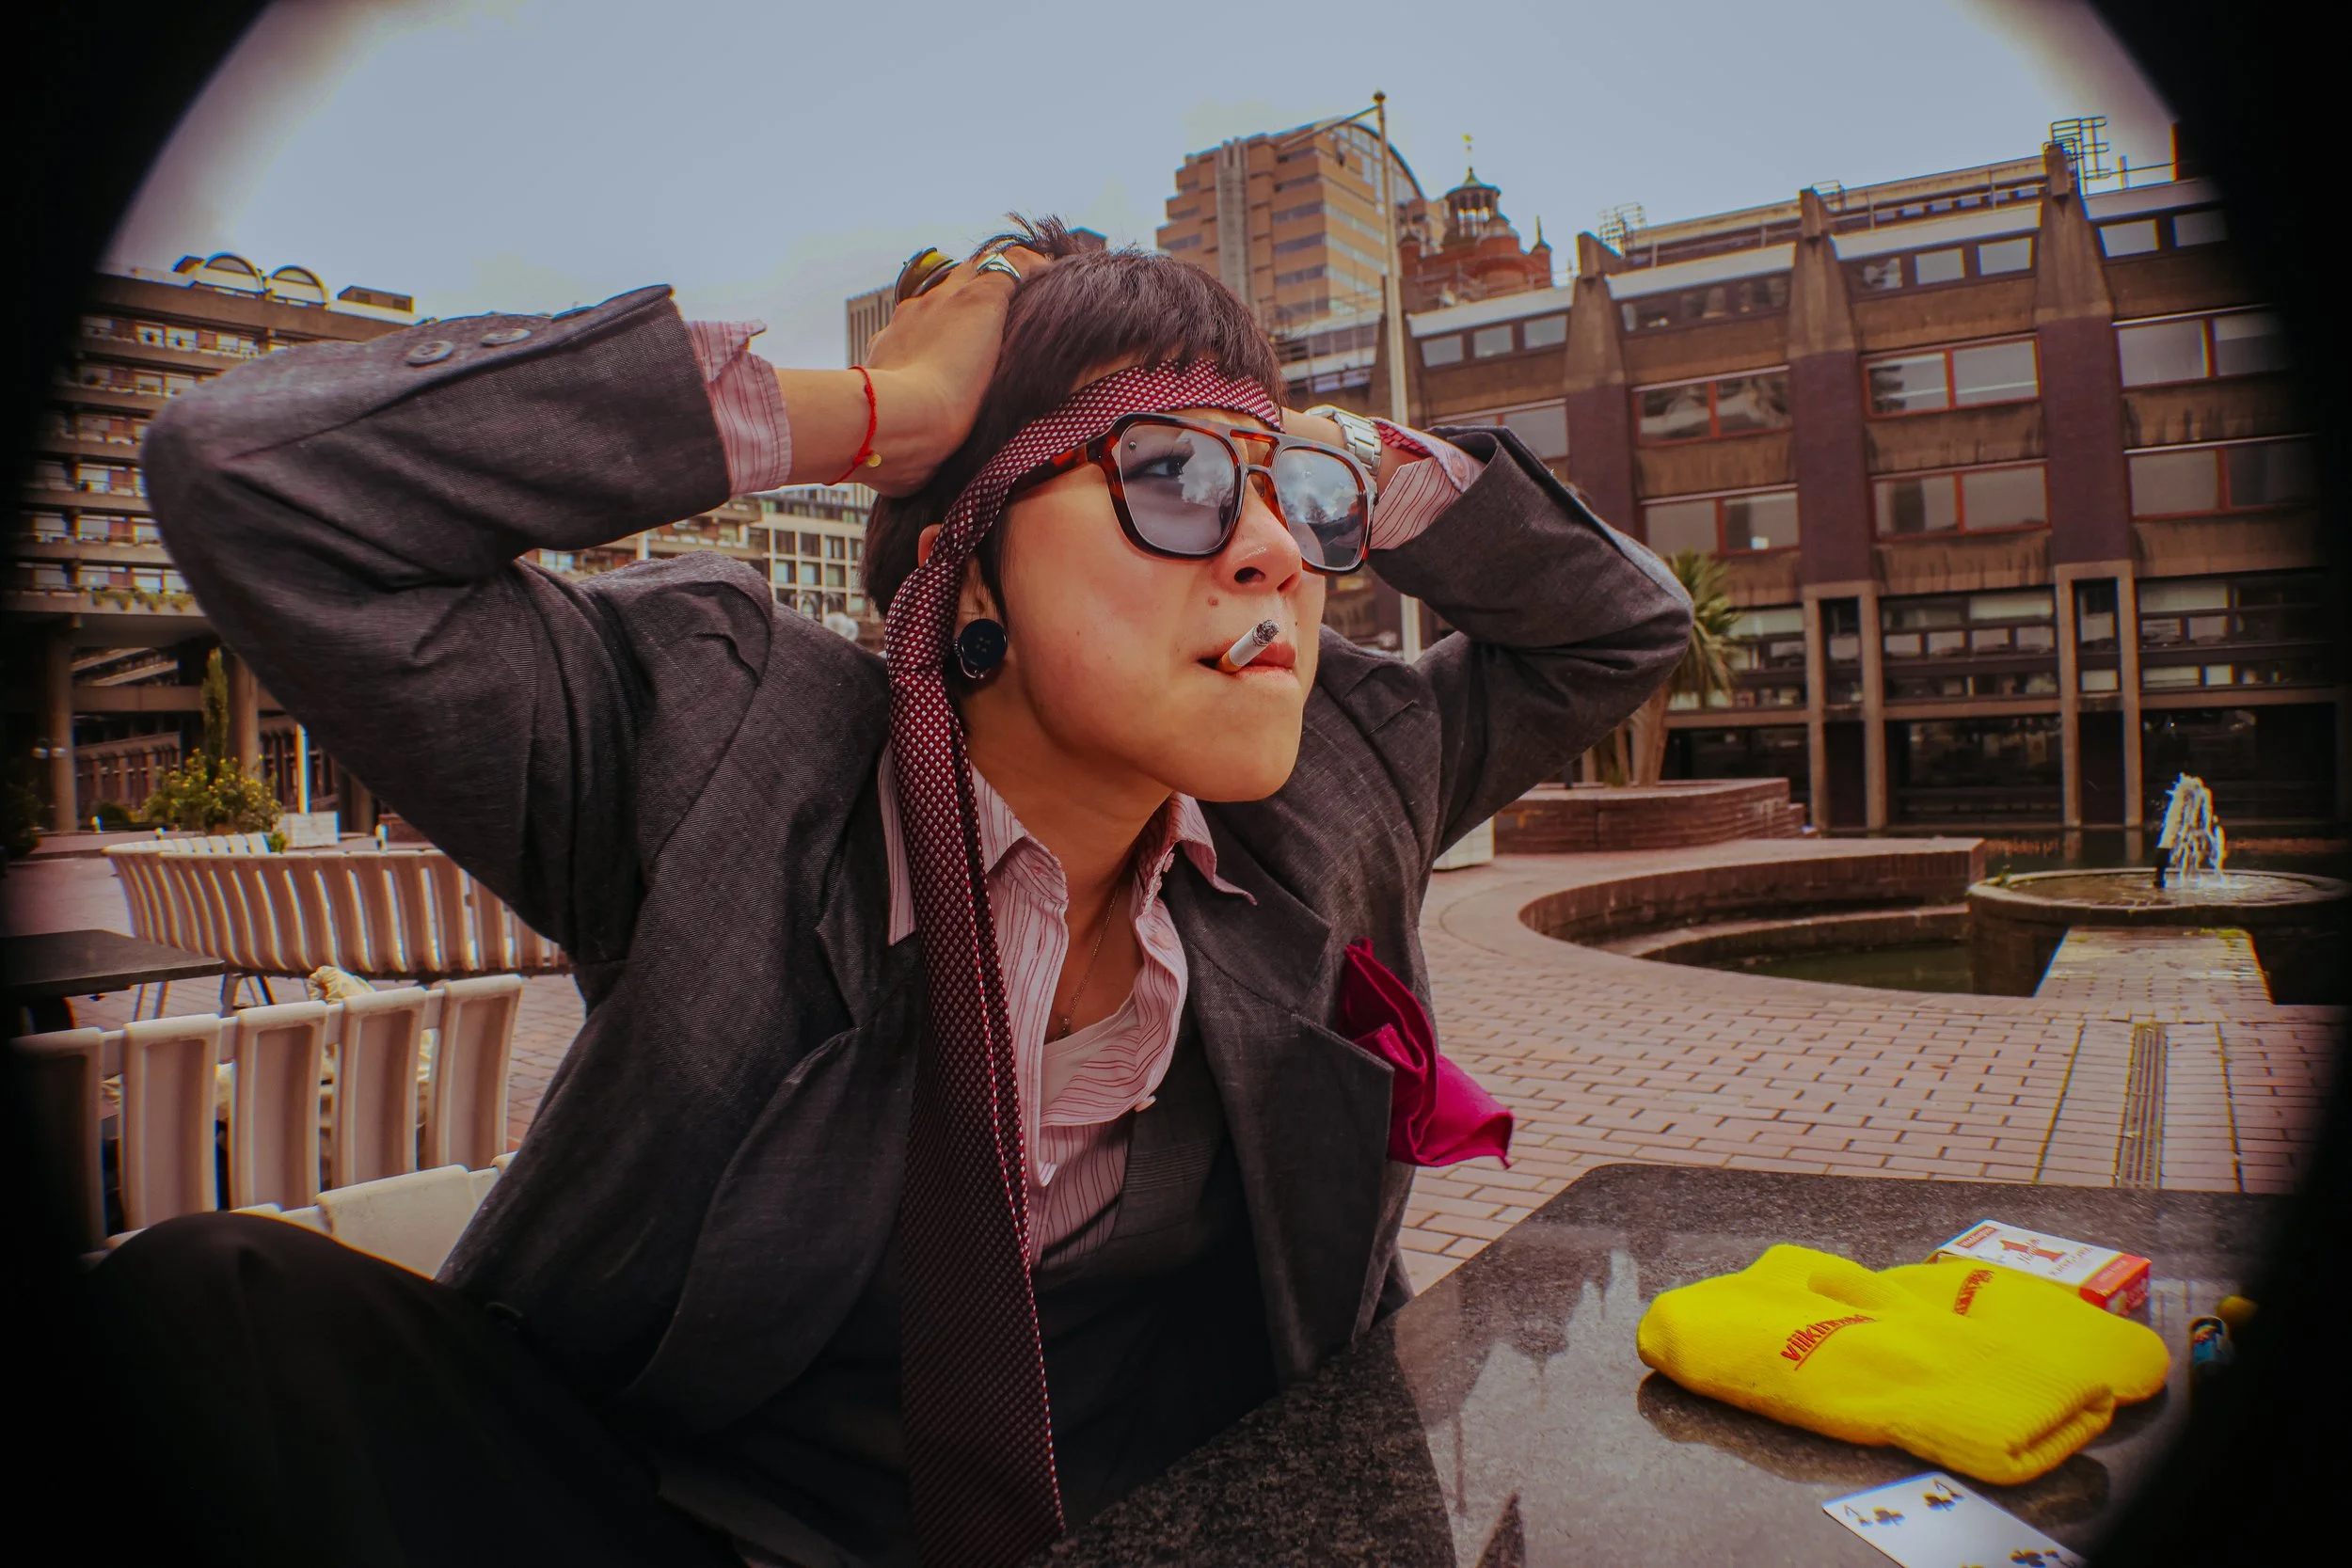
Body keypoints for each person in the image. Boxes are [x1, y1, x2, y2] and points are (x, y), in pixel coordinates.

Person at [96, 217, 1691, 1568]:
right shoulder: (717, 743)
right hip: (707, 1513)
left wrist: (1351, 459)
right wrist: (888, 403)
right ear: (972, 555)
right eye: (1177, 477)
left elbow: (1620, 629)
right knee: (211, 1301)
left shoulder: (1341, 772)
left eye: (1292, 499)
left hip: (1174, 1517)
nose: (1272, 551)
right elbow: (247, 477)